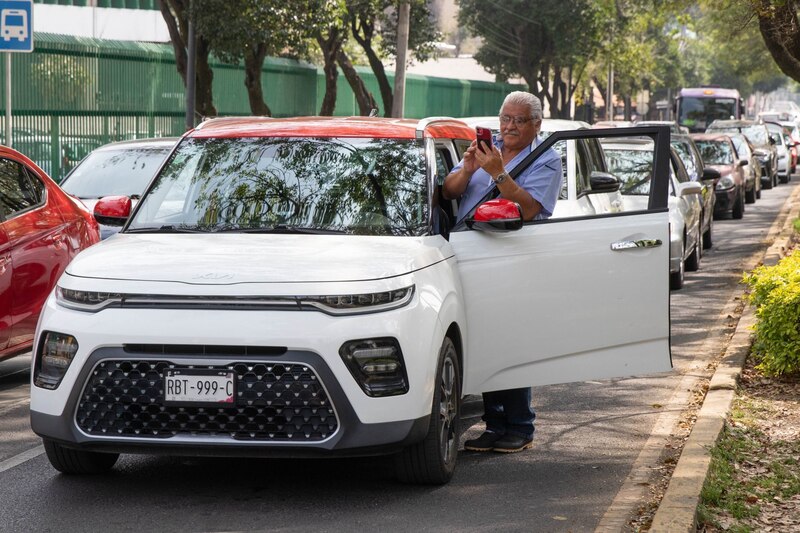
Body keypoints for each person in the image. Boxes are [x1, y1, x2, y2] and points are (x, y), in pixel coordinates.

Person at [443, 91, 562, 453]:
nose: (509, 126)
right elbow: (447, 191)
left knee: (511, 340)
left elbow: (527, 209)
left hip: (515, 257)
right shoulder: (486, 149)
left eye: (518, 120)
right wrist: (467, 169)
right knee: (484, 340)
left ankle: (520, 426)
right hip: (470, 253)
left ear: (536, 125)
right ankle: (494, 424)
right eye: (505, 118)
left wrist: (498, 173)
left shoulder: (546, 159)